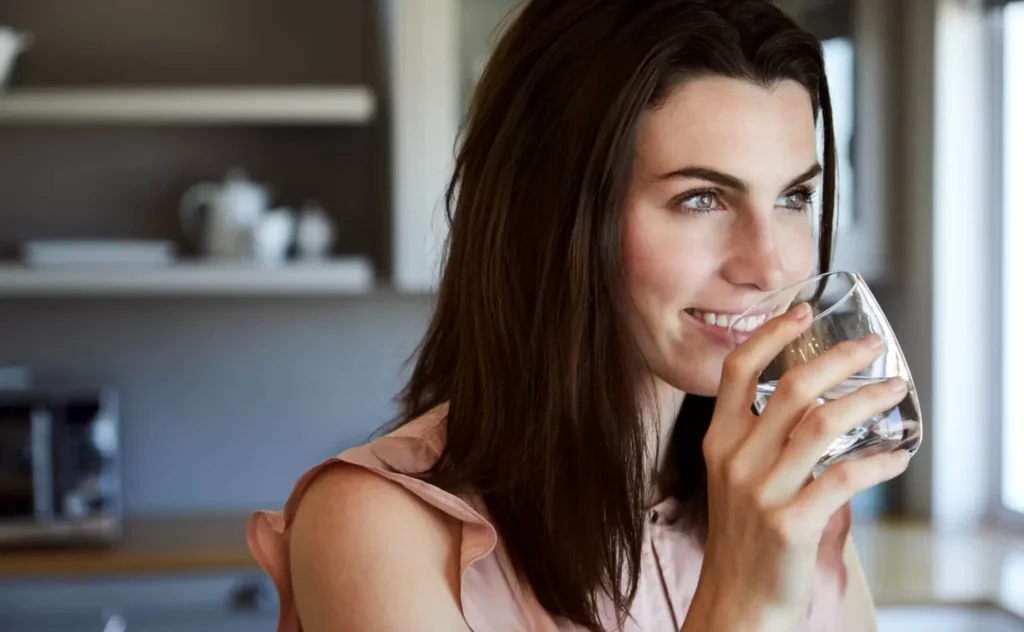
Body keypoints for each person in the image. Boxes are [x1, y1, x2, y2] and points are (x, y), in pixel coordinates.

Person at [247, 0, 910, 630]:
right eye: (702, 198)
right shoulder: (376, 529)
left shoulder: (796, 503)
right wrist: (739, 602)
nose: (768, 267)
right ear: (554, 216)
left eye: (794, 196)